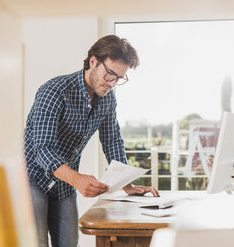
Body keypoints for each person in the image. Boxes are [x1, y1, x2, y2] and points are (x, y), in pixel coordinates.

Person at [24, 35, 160, 247]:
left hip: (63, 186)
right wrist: (77, 179)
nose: (112, 83)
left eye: (119, 78)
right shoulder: (54, 92)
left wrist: (127, 184)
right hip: (32, 181)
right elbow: (43, 148)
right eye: (110, 74)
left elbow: (112, 139)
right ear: (93, 62)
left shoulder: (107, 98)